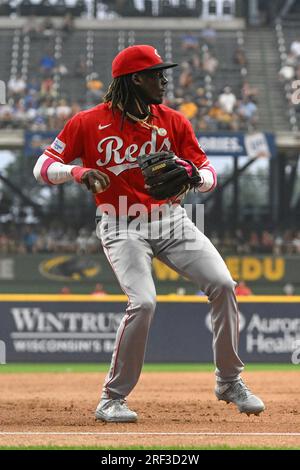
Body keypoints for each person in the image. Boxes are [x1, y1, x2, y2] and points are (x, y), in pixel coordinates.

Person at [33, 44, 265, 423]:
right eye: (156, 73)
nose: (164, 79)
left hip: (171, 219)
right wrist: (76, 172)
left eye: (163, 72)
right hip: (120, 222)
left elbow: (208, 173)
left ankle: (229, 380)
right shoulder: (88, 122)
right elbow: (42, 166)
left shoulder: (172, 120)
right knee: (143, 303)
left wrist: (192, 175)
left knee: (223, 284)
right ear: (134, 79)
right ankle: (112, 398)